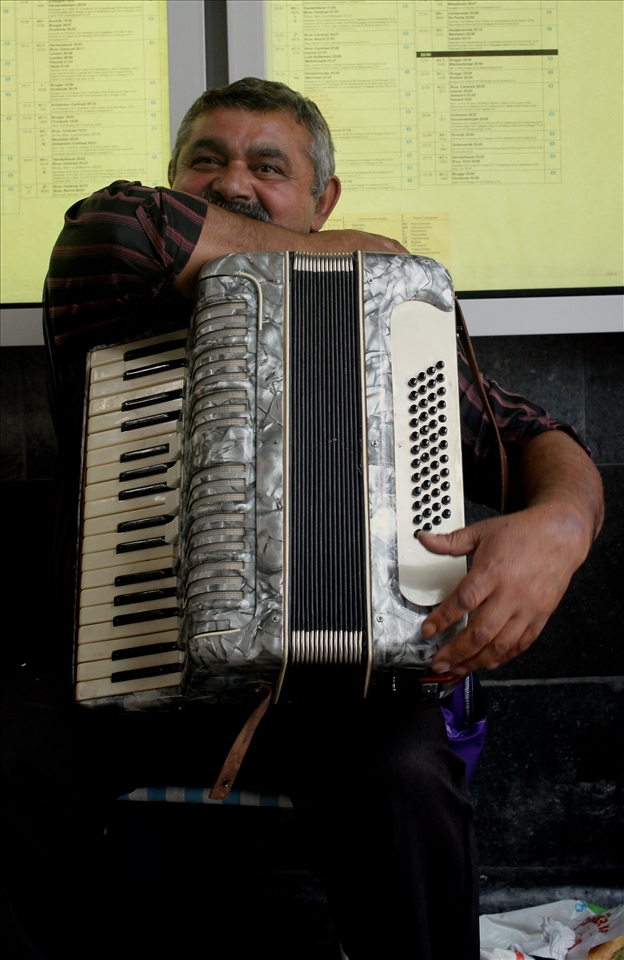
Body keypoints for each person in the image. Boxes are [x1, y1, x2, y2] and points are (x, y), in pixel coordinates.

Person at [2, 79, 604, 960]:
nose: (231, 181)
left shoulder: (387, 326)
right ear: (175, 178)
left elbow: (528, 435)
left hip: (329, 694)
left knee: (409, 774)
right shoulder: (112, 290)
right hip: (120, 675)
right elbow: (118, 226)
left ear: (324, 201)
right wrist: (334, 249)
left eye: (268, 166)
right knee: (2, 752)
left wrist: (561, 527)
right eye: (206, 160)